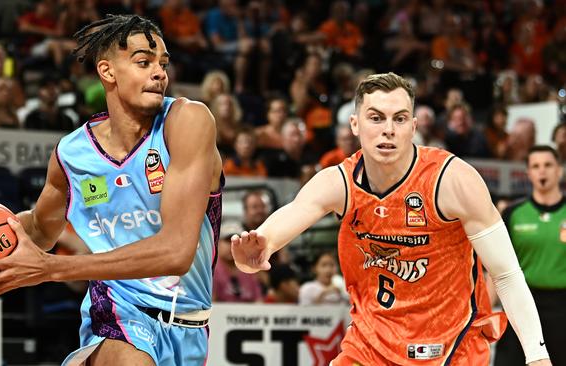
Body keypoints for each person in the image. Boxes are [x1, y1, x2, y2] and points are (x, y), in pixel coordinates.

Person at [0, 14, 223, 366]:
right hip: (118, 314)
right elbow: (38, 229)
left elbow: (176, 251)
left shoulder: (186, 121)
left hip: (191, 327)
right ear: (107, 72)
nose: (159, 72)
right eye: (144, 62)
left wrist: (52, 269)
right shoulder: (72, 153)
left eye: (163, 63)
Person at [231, 72, 551, 365]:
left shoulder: (452, 181)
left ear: (413, 127)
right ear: (355, 125)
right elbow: (294, 212)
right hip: (371, 345)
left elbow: (507, 274)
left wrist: (536, 355)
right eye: (376, 118)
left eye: (399, 119)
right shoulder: (340, 182)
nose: (388, 129)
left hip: (452, 346)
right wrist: (261, 246)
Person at [494, 146, 566, 366]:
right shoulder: (513, 213)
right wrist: (484, 312)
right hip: (522, 305)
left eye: (548, 165)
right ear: (528, 173)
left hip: (562, 309)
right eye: (535, 166)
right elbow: (496, 267)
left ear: (559, 171)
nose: (542, 171)